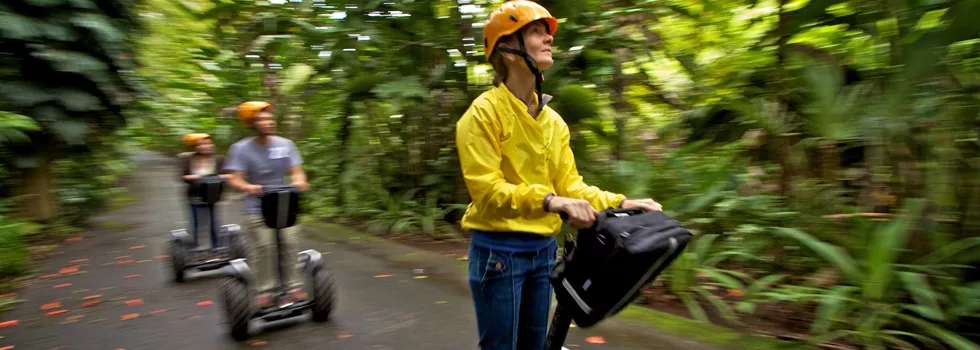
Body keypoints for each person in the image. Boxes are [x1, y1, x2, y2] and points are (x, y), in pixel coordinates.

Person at [455, 1, 663, 349]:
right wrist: (551, 201)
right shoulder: (482, 114)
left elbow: (571, 186)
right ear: (507, 51)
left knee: (536, 346)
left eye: (547, 32)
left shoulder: (553, 122)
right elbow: (487, 192)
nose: (548, 38)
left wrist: (621, 203)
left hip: (543, 253)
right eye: (535, 32)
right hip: (499, 255)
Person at [223, 101, 311, 309]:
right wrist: (248, 187)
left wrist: (299, 181)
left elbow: (297, 172)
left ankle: (294, 287)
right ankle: (265, 291)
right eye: (261, 119)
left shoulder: (286, 144)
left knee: (289, 242)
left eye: (269, 118)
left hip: (283, 203)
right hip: (257, 205)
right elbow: (234, 178)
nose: (268, 122)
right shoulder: (241, 149)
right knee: (265, 245)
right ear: (251, 124)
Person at [180, 133, 230, 250]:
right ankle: (195, 249)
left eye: (208, 143)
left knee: (214, 224)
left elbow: (227, 175)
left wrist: (220, 177)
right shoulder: (188, 159)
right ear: (195, 147)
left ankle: (217, 248)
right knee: (196, 224)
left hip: (212, 195)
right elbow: (183, 176)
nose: (205, 146)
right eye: (201, 144)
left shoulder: (218, 159)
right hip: (195, 197)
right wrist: (198, 177)